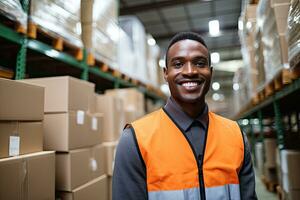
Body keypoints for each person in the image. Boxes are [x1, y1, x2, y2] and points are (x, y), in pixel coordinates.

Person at [112, 32, 257, 200]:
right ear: (165, 73)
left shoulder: (236, 136)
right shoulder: (135, 139)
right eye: (179, 64)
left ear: (210, 72)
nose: (190, 71)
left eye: (200, 63)